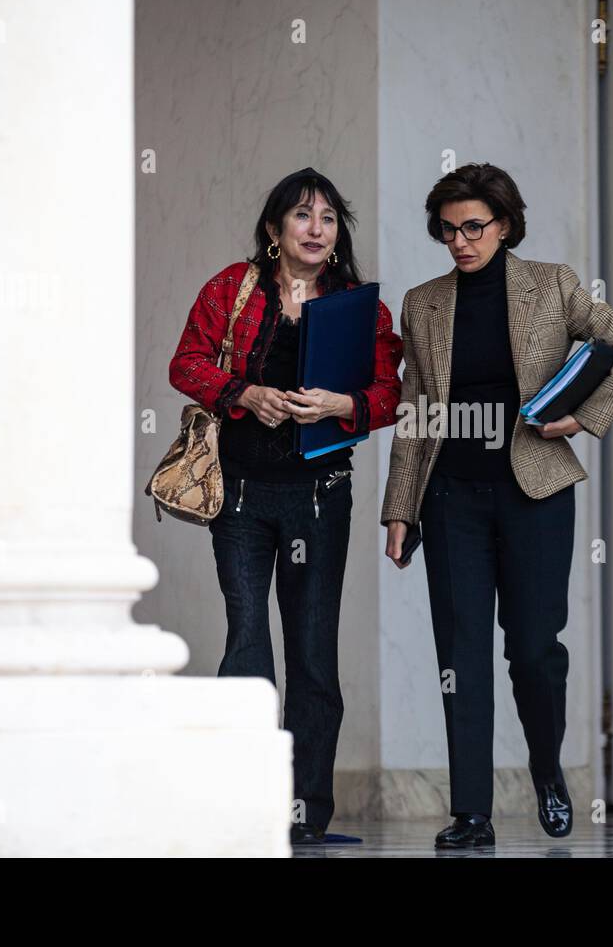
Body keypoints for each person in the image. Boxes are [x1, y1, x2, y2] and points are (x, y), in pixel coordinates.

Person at [381, 162, 613, 848]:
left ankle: (546, 770)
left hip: (533, 491)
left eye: (474, 227)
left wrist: (581, 419)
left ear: (504, 224)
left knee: (534, 651)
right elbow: (416, 409)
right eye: (448, 231)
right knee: (461, 653)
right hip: (449, 498)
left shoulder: (552, 284)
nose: (461, 242)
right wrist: (399, 508)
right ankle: (470, 812)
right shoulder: (423, 303)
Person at [168, 167, 402, 844]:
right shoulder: (231, 289)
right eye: (302, 216)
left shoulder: (361, 307)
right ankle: (242, 807)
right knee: (246, 646)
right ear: (275, 230)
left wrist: (344, 405)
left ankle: (306, 816)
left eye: (328, 218)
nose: (316, 229)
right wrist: (241, 393)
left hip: (321, 498)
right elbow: (186, 364)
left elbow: (389, 393)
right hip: (238, 496)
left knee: (312, 656)